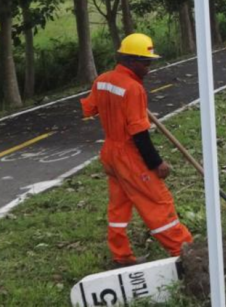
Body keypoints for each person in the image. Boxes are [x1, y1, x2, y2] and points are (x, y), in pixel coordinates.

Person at [81, 33, 192, 267]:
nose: (149, 68)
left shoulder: (102, 80)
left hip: (110, 153)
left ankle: (120, 256)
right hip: (129, 156)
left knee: (119, 207)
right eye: (146, 62)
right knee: (157, 202)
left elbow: (90, 109)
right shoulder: (133, 88)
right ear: (131, 60)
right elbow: (139, 134)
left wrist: (115, 107)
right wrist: (156, 163)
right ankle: (183, 250)